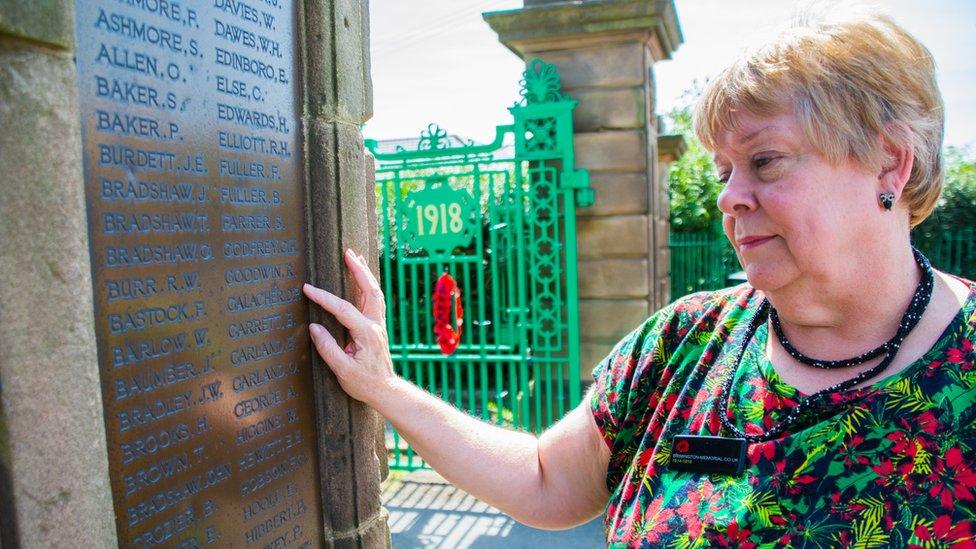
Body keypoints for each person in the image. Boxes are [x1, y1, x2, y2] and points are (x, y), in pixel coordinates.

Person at [302, 9, 976, 547]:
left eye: (765, 161)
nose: (728, 196)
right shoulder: (686, 340)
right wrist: (384, 388)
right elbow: (544, 478)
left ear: (889, 162)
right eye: (722, 171)